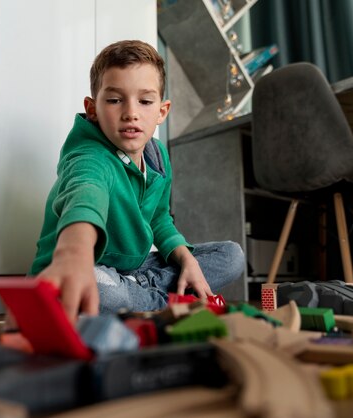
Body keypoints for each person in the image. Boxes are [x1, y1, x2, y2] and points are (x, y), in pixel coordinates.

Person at [29, 40, 245, 322]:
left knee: (232, 256)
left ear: (161, 111)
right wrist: (74, 251)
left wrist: (185, 259)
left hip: (133, 268)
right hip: (82, 266)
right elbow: (85, 197)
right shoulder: (89, 158)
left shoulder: (157, 157)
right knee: (102, 289)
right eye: (115, 100)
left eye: (144, 101)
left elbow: (159, 219)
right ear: (93, 109)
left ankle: (144, 295)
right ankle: (164, 302)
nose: (131, 112)